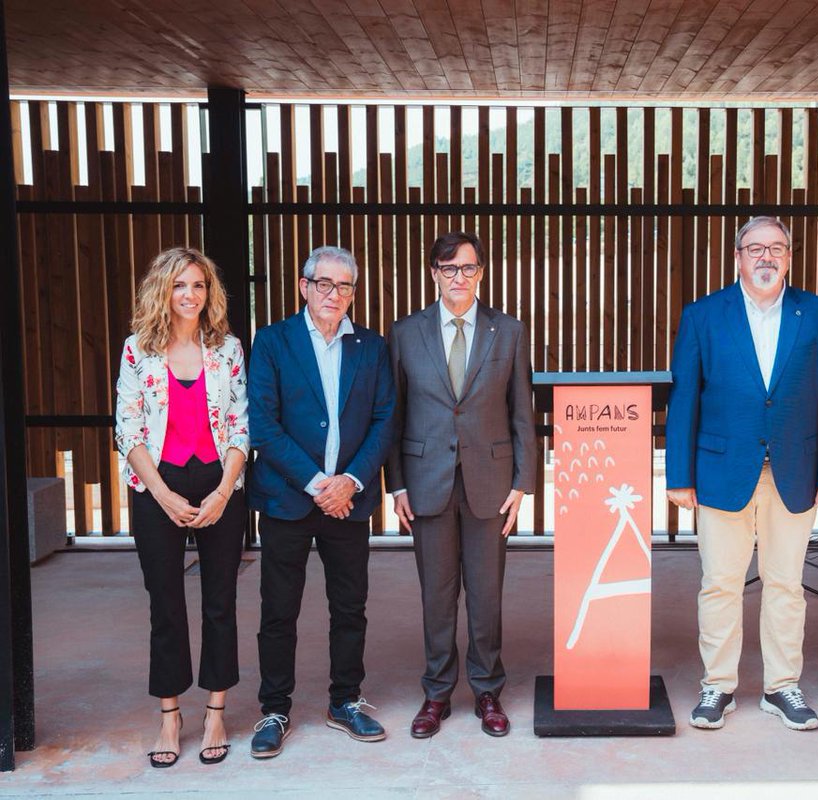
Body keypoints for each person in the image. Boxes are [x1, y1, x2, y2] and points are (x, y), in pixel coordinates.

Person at [666, 215, 818, 731]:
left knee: (785, 584)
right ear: (737, 257)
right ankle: (718, 686)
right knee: (720, 583)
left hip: (795, 471)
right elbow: (685, 399)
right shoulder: (705, 314)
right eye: (755, 249)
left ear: (790, 257)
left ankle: (782, 687)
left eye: (777, 248)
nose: (766, 257)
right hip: (720, 471)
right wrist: (678, 475)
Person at [246, 246, 395, 758]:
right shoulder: (271, 342)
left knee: (350, 607)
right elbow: (262, 423)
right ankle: (275, 708)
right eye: (325, 284)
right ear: (304, 286)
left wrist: (350, 481)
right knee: (278, 610)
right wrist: (318, 483)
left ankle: (345, 701)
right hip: (289, 498)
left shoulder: (371, 348)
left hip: (348, 502)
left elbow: (384, 421)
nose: (335, 295)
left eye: (345, 287)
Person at [386, 230, 536, 739]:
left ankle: (488, 690)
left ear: (481, 273)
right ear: (433, 274)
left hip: (491, 485)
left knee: (486, 594)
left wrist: (523, 483)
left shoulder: (508, 331)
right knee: (437, 594)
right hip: (425, 483)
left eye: (468, 268)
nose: (458, 278)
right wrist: (396, 485)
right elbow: (395, 414)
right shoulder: (406, 333)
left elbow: (522, 412)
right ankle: (436, 693)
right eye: (448, 269)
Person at [115, 247, 248, 768]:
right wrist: (164, 494)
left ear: (209, 292)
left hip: (219, 481)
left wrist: (222, 490)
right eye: (178, 285)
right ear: (162, 292)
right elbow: (127, 428)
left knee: (220, 601)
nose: (189, 295)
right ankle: (170, 715)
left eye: (198, 285)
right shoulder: (137, 350)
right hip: (156, 484)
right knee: (165, 603)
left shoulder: (229, 349)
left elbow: (241, 423)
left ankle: (215, 709)